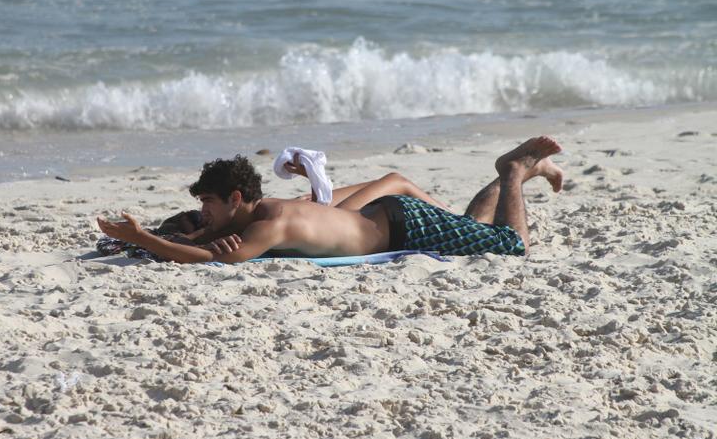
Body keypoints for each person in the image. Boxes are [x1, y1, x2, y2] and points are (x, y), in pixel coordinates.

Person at [97, 136, 564, 263]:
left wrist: (141, 237)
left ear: (236, 197)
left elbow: (207, 256)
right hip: (394, 216)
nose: (204, 214)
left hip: (407, 226)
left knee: (511, 245)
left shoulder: (272, 222)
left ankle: (513, 171)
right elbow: (212, 242)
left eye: (208, 205)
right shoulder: (265, 210)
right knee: (476, 228)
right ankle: (519, 177)